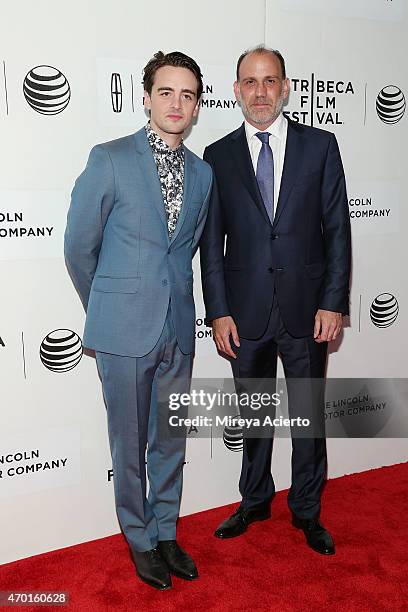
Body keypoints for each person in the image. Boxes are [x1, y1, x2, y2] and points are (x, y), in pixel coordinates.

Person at [64, 50, 212, 589]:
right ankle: (139, 537)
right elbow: (80, 249)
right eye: (166, 92)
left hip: (178, 326)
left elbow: (187, 249)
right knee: (128, 444)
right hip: (124, 328)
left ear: (197, 106)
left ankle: (167, 529)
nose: (177, 103)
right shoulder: (109, 158)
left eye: (188, 95)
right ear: (146, 98)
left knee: (170, 437)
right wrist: (104, 304)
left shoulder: (203, 174)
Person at [200, 45, 351, 555]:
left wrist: (333, 303)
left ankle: (307, 510)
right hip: (244, 313)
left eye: (270, 81)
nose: (260, 91)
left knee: (307, 416)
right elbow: (211, 244)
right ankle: (255, 499)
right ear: (237, 90)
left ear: (286, 88)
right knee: (254, 414)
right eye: (250, 81)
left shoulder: (321, 146)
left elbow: (338, 234)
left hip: (307, 310)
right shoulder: (217, 156)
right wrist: (218, 310)